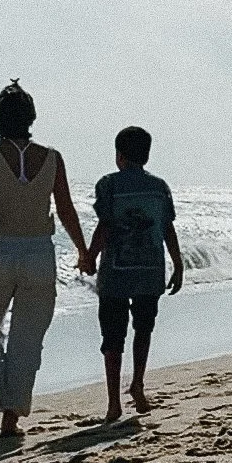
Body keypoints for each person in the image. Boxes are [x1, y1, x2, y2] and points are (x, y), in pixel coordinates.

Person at [0, 80, 91, 437]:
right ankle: (10, 420)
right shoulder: (51, 158)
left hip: (0, 249)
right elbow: (64, 208)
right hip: (39, 252)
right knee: (27, 338)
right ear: (31, 118)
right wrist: (82, 250)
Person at [88, 126, 183, 422]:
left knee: (112, 337)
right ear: (147, 154)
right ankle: (138, 384)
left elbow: (103, 226)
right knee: (143, 329)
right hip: (150, 270)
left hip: (115, 272)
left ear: (119, 155)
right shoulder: (159, 188)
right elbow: (167, 228)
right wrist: (178, 263)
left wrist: (89, 256)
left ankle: (114, 403)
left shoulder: (108, 185)